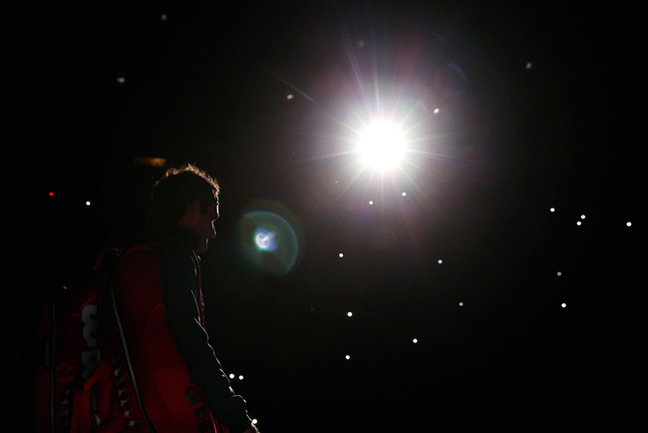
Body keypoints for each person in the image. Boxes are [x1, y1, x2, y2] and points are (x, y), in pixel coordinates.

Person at [110, 163, 259, 433]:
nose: (213, 232)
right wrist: (237, 418)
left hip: (132, 409)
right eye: (211, 219)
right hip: (171, 411)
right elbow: (192, 341)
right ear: (192, 207)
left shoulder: (137, 255)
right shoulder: (177, 256)